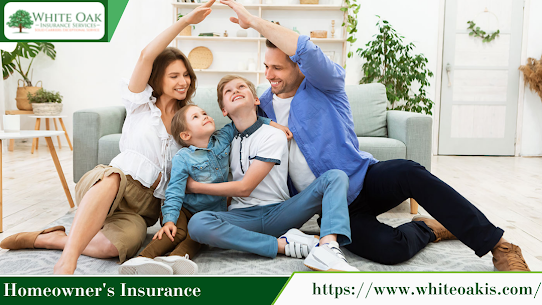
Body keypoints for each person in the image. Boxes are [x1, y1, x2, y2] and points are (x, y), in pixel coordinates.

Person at [218, 0, 530, 271]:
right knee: (388, 249)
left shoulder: (326, 83)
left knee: (409, 171)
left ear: (299, 67)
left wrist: (255, 22)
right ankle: (427, 230)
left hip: (364, 178)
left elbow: (307, 50)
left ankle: (500, 247)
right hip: (333, 205)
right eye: (266, 67)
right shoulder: (263, 104)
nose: (270, 75)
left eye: (278, 68)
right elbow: (236, 129)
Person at [0, 1, 217, 274]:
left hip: (144, 206)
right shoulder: (140, 104)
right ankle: (68, 260)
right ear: (157, 78)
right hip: (113, 182)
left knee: (113, 249)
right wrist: (186, 21)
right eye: (174, 75)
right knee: (113, 177)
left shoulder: (189, 121)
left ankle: (54, 238)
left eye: (186, 75)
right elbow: (146, 55)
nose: (183, 81)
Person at [186, 75, 357, 272]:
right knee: (198, 223)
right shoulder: (226, 140)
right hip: (242, 217)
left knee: (335, 176)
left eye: (241, 87)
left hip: (279, 213)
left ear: (256, 100)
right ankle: (283, 245)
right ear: (224, 110)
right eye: (228, 91)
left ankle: (327, 247)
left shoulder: (273, 135)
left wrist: (195, 187)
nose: (236, 91)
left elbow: (245, 188)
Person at [119, 105, 290, 275]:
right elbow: (175, 191)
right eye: (196, 117)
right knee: (176, 232)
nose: (204, 116)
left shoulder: (223, 139)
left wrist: (275, 125)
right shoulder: (183, 158)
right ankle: (143, 259)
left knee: (196, 236)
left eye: (204, 113)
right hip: (183, 209)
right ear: (186, 135)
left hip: (209, 213)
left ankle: (176, 259)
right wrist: (170, 219)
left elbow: (245, 122)